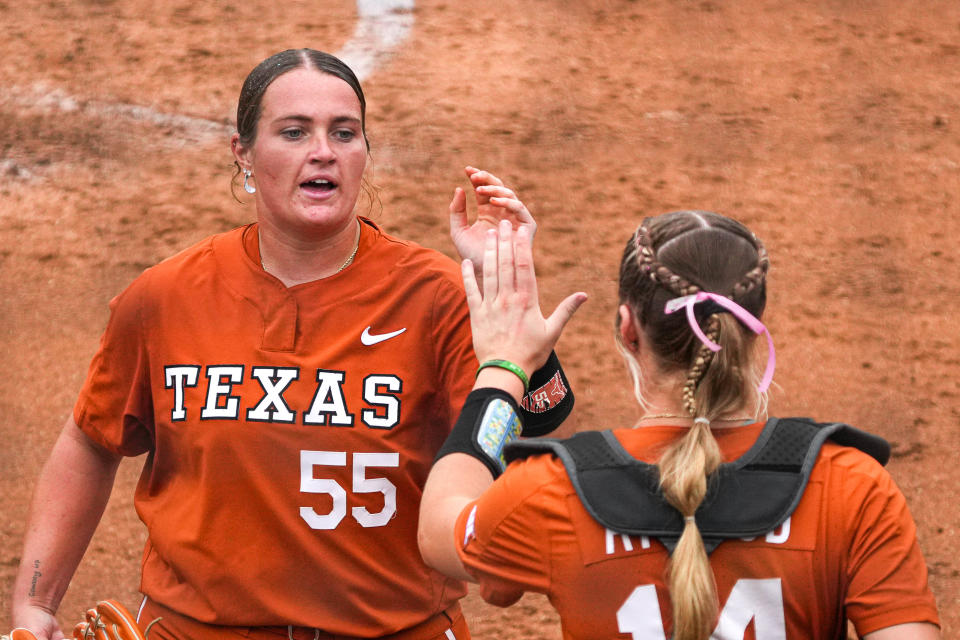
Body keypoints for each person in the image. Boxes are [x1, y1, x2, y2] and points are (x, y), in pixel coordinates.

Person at [10, 49, 575, 640]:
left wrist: (505, 293)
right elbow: (91, 438)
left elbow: (533, 422)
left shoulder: (437, 294)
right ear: (244, 154)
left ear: (363, 154)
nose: (323, 151)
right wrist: (35, 602)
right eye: (294, 132)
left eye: (344, 133)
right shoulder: (166, 296)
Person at [418, 211, 941, 639]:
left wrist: (504, 367)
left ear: (627, 328)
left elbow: (440, 525)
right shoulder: (850, 485)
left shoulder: (553, 492)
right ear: (753, 330)